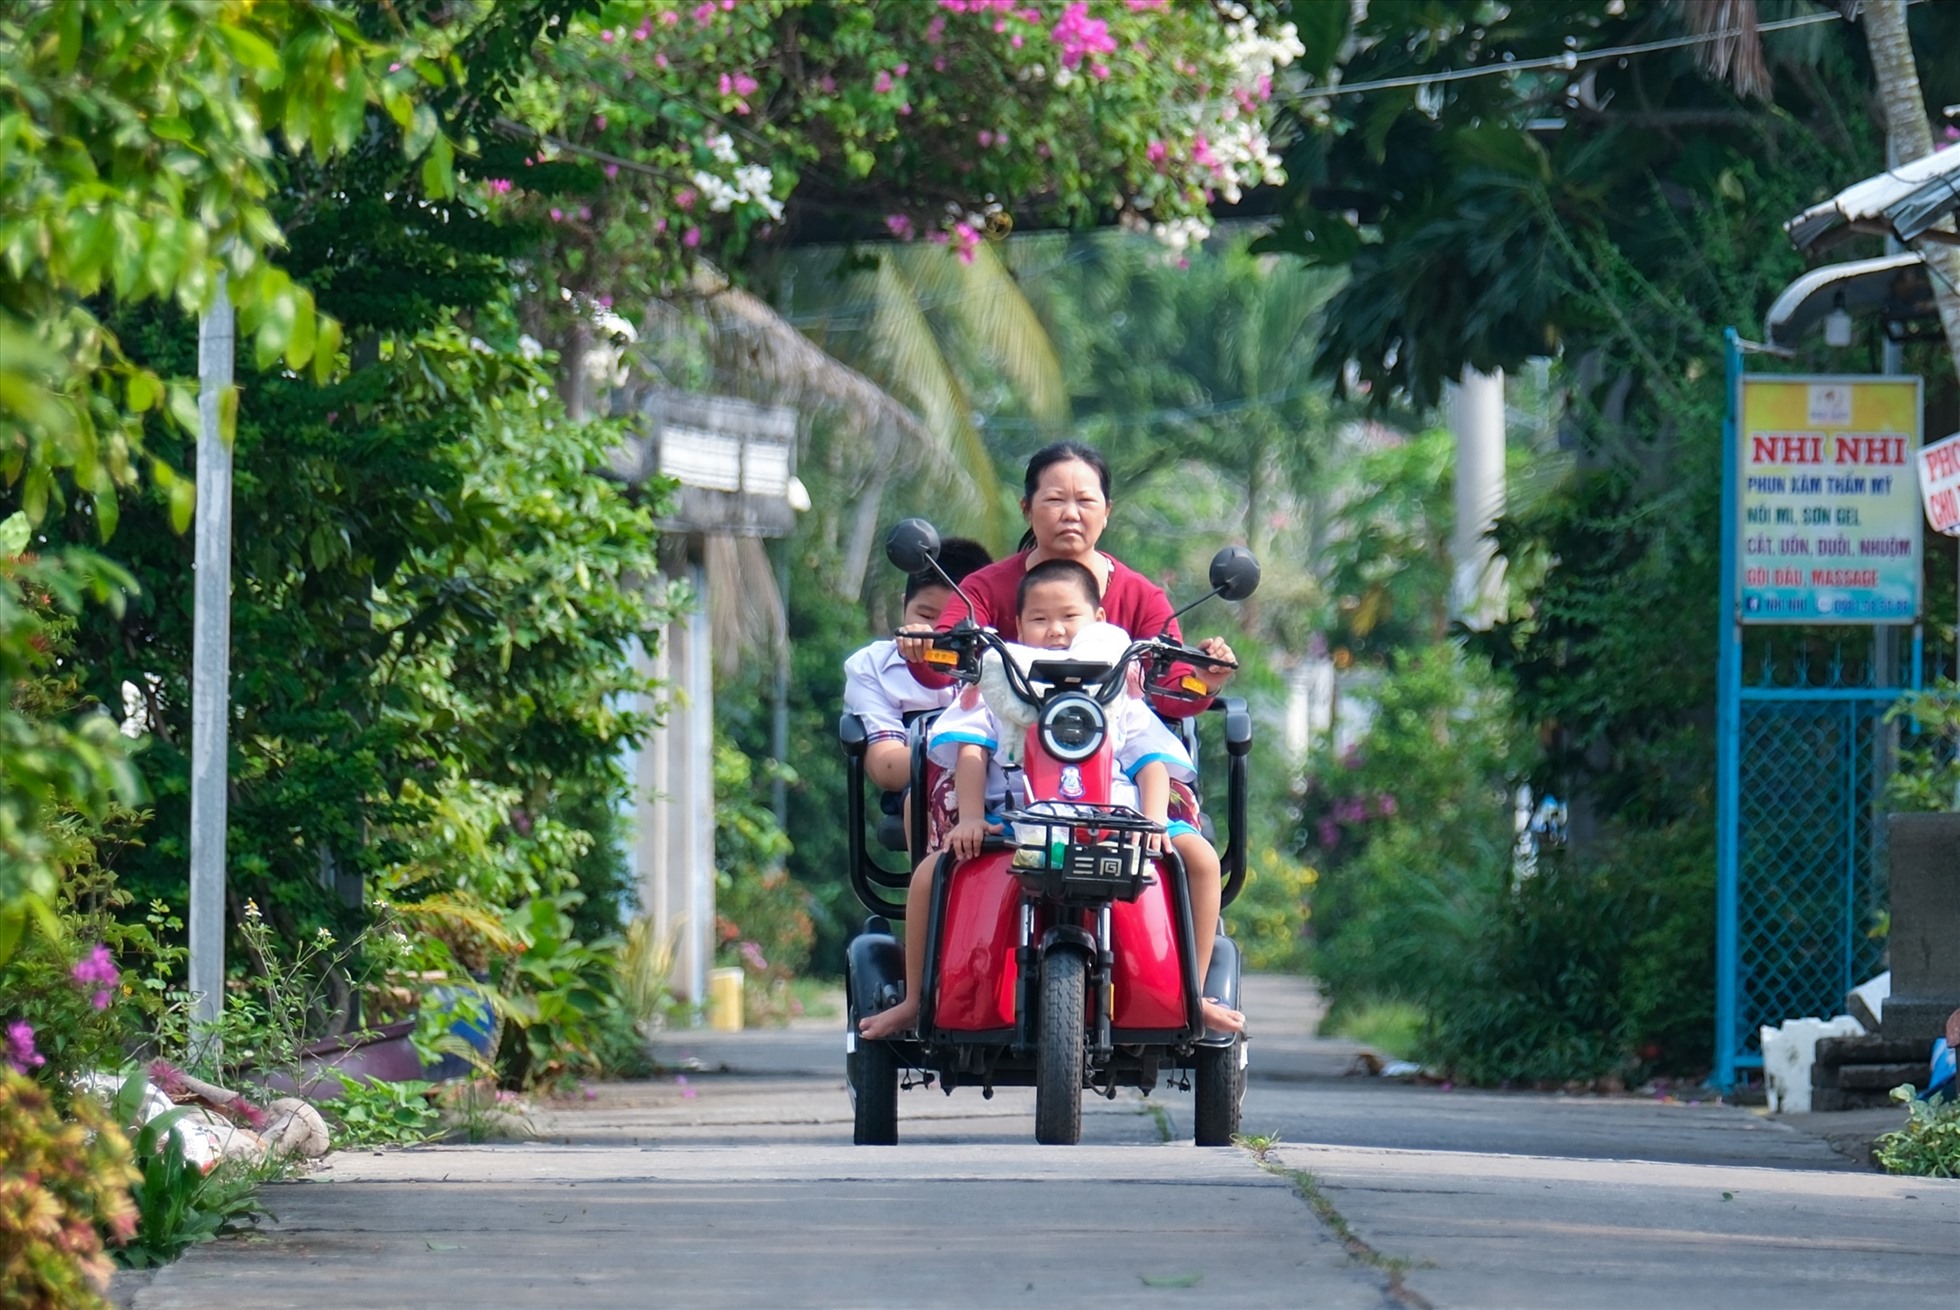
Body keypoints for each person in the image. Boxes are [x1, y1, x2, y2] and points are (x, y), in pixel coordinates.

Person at [892, 440, 1244, 1033]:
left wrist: (1202, 677)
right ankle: (930, 988)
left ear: (1107, 511)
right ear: (1027, 509)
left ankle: (1187, 990)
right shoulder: (985, 596)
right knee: (942, 844)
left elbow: (1167, 698)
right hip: (1009, 775)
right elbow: (943, 660)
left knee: (1194, 853)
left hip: (1123, 780)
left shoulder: (1140, 600)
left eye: (1086, 499)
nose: (1070, 512)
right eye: (1055, 499)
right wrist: (923, 645)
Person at [842, 537, 993, 795]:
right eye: (925, 616)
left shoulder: (1005, 657)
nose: (939, 631)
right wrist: (969, 753)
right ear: (904, 605)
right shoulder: (872, 667)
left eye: (956, 621)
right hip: (922, 799)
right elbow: (887, 767)